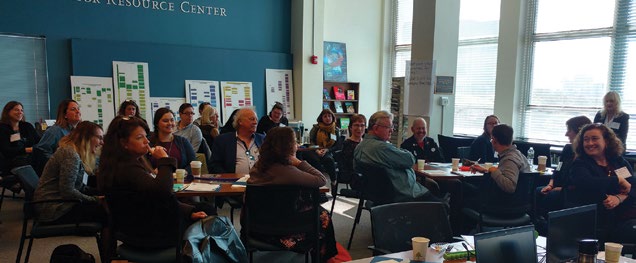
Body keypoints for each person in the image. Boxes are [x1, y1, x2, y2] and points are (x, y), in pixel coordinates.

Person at [98, 116, 207, 249]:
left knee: (201, 209)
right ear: (123, 143)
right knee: (208, 217)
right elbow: (163, 192)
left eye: (145, 136)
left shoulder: (126, 163)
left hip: (141, 226)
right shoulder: (127, 168)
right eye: (139, 138)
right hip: (148, 234)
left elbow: (157, 198)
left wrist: (188, 211)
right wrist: (165, 161)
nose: (147, 141)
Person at [247, 126, 338, 261]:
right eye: (294, 142)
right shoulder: (288, 171)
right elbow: (321, 179)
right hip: (284, 229)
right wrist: (299, 163)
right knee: (323, 215)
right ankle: (322, 256)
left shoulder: (258, 166)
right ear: (288, 147)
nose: (296, 145)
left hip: (256, 225)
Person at [32, 121, 109, 251]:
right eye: (99, 138)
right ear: (86, 137)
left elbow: (78, 186)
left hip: (58, 203)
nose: (102, 142)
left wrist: (99, 193)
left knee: (107, 207)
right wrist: (95, 200)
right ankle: (110, 256)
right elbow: (67, 191)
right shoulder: (70, 154)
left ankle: (110, 254)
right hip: (53, 209)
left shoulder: (73, 152)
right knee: (107, 213)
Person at [353, 111, 446, 204]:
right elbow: (410, 160)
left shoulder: (360, 147)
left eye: (392, 127)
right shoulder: (383, 148)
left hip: (377, 196)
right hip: (405, 194)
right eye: (388, 127)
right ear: (376, 128)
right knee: (443, 207)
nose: (392, 130)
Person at [569, 123, 636, 243]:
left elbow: (632, 186)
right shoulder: (580, 164)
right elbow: (587, 183)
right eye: (586, 140)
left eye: (594, 139)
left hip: (626, 214)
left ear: (606, 141)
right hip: (599, 219)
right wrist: (618, 180)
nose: (589, 143)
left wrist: (619, 198)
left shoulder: (618, 161)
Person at [537, 116, 591, 214]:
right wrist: (550, 184)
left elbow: (581, 182)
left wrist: (562, 189)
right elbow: (558, 168)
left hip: (572, 192)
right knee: (538, 191)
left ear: (578, 132)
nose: (566, 134)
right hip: (557, 186)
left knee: (552, 196)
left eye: (569, 130)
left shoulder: (587, 154)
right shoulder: (567, 149)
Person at [471, 124, 532, 193]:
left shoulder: (509, 159)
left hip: (506, 201)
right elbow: (504, 175)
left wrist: (493, 170)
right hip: (518, 200)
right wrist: (486, 170)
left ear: (494, 141)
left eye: (492, 139)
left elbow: (510, 186)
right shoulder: (517, 154)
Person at [33, 99, 82, 175]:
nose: (78, 112)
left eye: (78, 109)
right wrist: (58, 163)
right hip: (58, 173)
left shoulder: (76, 131)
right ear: (64, 114)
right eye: (73, 109)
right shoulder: (55, 131)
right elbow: (41, 151)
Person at [210, 107, 264, 174]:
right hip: (233, 182)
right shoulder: (223, 141)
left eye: (256, 119)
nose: (255, 122)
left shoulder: (263, 140)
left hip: (260, 182)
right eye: (252, 119)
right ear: (240, 121)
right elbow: (214, 166)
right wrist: (229, 179)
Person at [149, 108, 196, 178]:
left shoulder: (183, 141)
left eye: (172, 120)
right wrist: (152, 171)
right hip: (156, 182)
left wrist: (184, 172)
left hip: (181, 181)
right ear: (157, 123)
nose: (170, 123)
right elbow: (143, 165)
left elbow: (193, 163)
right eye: (165, 121)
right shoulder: (149, 143)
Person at [0, 101, 40, 175]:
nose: (20, 112)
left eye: (21, 110)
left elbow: (39, 141)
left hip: (31, 157)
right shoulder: (2, 128)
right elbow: (6, 150)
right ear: (8, 112)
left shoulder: (27, 126)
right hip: (12, 161)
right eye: (16, 110)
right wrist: (26, 150)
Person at [305, 109, 340, 183]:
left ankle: (333, 182)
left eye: (329, 116)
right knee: (314, 160)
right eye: (325, 116)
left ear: (332, 117)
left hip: (328, 150)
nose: (327, 118)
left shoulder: (336, 130)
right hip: (315, 150)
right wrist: (317, 150)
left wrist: (327, 150)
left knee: (329, 160)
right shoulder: (316, 128)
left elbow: (337, 146)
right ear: (321, 118)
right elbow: (310, 141)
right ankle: (319, 180)